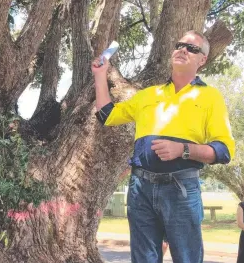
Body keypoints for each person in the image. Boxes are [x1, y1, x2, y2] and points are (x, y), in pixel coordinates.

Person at [91, 30, 235, 263]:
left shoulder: (211, 97)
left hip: (181, 189)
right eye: (179, 45)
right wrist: (100, 75)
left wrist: (183, 149)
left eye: (192, 48)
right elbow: (106, 116)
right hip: (141, 189)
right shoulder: (148, 95)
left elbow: (224, 150)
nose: (183, 50)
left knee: (187, 258)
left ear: (203, 60)